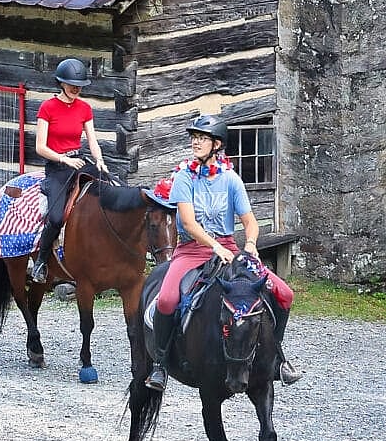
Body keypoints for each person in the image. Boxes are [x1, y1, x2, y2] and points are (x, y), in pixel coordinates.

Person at [145, 114, 302, 391]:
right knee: (167, 300)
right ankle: (159, 365)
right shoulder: (184, 177)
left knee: (285, 294)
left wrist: (250, 244)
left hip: (229, 248)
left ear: (216, 144)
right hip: (191, 250)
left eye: (201, 138)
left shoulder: (231, 179)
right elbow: (189, 223)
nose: (195, 142)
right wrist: (214, 246)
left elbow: (250, 222)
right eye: (194, 138)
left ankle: (276, 359)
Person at [30, 58, 107, 283]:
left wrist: (99, 160)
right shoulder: (47, 107)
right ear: (61, 83)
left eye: (79, 84)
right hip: (57, 167)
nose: (76, 88)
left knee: (108, 191)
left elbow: (92, 140)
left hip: (79, 161)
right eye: (71, 83)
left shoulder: (85, 108)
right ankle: (41, 262)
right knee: (55, 217)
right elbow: (40, 147)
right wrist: (63, 159)